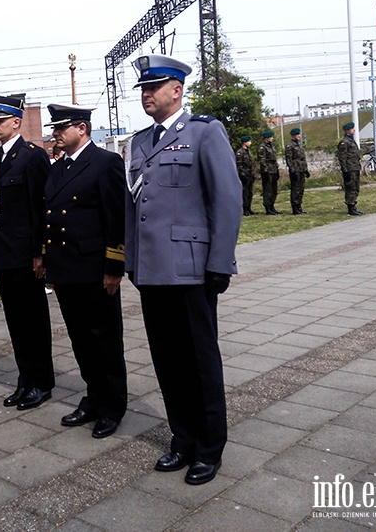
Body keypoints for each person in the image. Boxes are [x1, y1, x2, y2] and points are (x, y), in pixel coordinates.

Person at [124, 55, 242, 486]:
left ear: (177, 89)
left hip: (192, 272)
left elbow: (226, 199)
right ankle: (182, 438)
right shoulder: (138, 143)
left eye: (154, 87)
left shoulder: (204, 132)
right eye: (142, 88)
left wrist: (220, 262)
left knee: (200, 362)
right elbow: (133, 208)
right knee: (168, 362)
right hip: (152, 272)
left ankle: (209, 448)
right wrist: (131, 263)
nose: (146, 94)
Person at [43, 104, 127, 439]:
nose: (56, 134)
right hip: (66, 268)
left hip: (94, 268)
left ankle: (113, 405)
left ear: (82, 128)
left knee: (104, 340)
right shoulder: (58, 167)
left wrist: (114, 267)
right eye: (55, 128)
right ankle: (93, 397)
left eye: (62, 128)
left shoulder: (104, 163)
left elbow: (114, 217)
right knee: (80, 340)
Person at [0, 94, 55, 410]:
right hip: (5, 254)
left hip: (27, 254)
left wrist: (40, 252)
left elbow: (41, 209)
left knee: (34, 321)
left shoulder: (32, 157)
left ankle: (41, 382)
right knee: (15, 322)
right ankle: (25, 379)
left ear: (16, 122)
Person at [337, 122, 363, 215]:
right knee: (351, 188)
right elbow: (342, 157)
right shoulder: (345, 142)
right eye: (352, 129)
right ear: (347, 131)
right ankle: (350, 207)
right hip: (349, 168)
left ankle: (353, 205)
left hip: (355, 167)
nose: (354, 130)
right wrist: (345, 170)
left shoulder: (351, 140)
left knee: (356, 187)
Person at [285, 127, 309, 215]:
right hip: (295, 170)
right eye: (297, 134)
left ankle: (299, 206)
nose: (299, 136)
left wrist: (306, 170)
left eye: (299, 134)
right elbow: (289, 159)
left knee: (301, 189)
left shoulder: (298, 145)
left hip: (301, 169)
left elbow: (302, 159)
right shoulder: (290, 146)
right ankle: (295, 208)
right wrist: (292, 170)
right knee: (295, 189)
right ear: (293, 135)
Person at [257, 130, 281, 215]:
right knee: (268, 189)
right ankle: (268, 207)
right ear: (266, 138)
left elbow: (274, 159)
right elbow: (262, 160)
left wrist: (277, 170)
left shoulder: (271, 147)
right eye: (271, 137)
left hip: (273, 169)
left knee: (274, 189)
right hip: (267, 171)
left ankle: (272, 206)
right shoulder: (262, 147)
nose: (272, 138)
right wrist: (265, 171)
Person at [236, 135, 255, 216]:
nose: (250, 143)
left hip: (250, 174)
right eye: (249, 141)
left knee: (250, 192)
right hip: (244, 175)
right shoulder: (240, 152)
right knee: (245, 193)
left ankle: (249, 208)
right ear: (244, 142)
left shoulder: (248, 151)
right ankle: (245, 209)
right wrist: (243, 174)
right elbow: (239, 165)